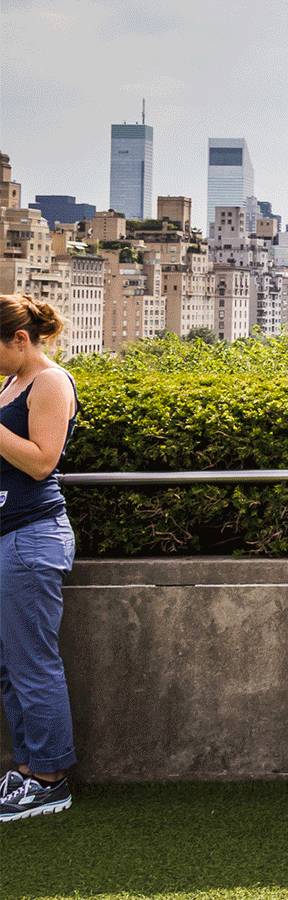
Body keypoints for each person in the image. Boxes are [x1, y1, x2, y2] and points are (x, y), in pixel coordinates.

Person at [0, 297, 80, 823]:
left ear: (20, 339)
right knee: (10, 665)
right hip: (8, 535)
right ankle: (27, 769)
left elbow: (41, 462)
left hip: (32, 537)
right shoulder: (11, 382)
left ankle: (50, 780)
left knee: (32, 664)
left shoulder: (50, 381)